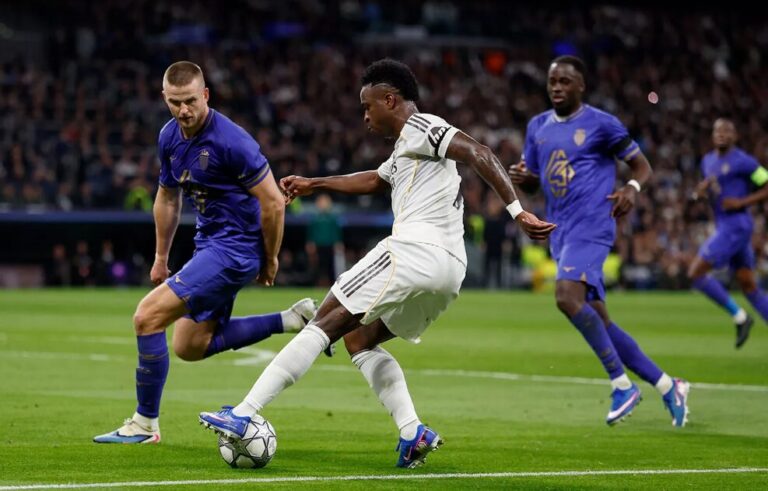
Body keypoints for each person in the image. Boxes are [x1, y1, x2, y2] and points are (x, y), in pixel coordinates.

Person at [199, 58, 555, 468]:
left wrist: (517, 211)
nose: (365, 116)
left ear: (391, 99)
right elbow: (374, 180)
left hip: (415, 250)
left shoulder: (422, 127)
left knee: (324, 320)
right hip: (449, 271)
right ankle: (413, 432)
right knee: (358, 339)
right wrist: (315, 183)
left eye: (369, 107)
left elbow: (478, 151)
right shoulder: (407, 148)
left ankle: (243, 414)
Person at [93, 61, 316, 444]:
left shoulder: (233, 142)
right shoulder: (169, 137)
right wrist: (161, 257)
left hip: (235, 251)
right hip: (208, 246)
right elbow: (167, 197)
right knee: (189, 346)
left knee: (146, 317)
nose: (184, 110)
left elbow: (274, 203)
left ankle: (145, 424)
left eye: (191, 101)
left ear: (206, 96)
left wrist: (272, 257)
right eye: (176, 102)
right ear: (165, 98)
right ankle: (291, 319)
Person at [508, 55, 690, 427]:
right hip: (560, 231)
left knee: (565, 297)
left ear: (581, 86)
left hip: (593, 224)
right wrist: (522, 179)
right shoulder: (537, 126)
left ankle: (622, 386)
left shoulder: (602, 124)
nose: (557, 87)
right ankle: (669, 385)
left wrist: (633, 188)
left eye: (565, 81)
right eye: (552, 81)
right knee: (600, 320)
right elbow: (534, 178)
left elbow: (642, 166)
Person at [688, 118, 768, 348]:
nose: (722, 134)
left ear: (735, 136)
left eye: (727, 131)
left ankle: (741, 318)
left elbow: (766, 184)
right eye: (717, 130)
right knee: (748, 285)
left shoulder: (744, 162)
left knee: (696, 273)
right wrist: (698, 193)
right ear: (712, 136)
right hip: (724, 225)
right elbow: (706, 191)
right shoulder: (708, 161)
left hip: (737, 225)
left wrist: (743, 201)